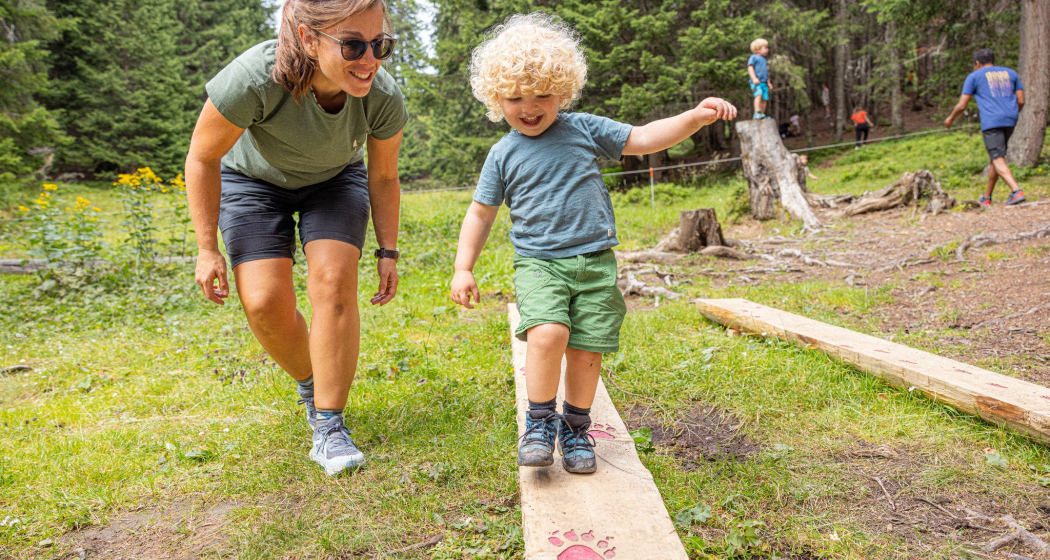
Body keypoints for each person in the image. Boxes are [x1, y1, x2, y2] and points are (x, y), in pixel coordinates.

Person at [449, 13, 735, 475]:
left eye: (543, 94)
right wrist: (464, 267)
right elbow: (481, 212)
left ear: (563, 89)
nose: (530, 106)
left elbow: (642, 138)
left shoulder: (582, 128)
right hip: (539, 263)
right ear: (494, 97)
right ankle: (539, 422)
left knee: (586, 348)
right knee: (548, 333)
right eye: (515, 97)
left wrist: (693, 118)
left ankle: (576, 429)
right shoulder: (502, 153)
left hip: (595, 262)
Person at [184, 0, 408, 476]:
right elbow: (202, 157)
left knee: (332, 284)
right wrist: (207, 248)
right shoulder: (253, 78)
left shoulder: (382, 96)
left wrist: (388, 250)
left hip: (335, 179)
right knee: (263, 302)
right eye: (353, 45)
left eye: (381, 44)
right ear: (309, 40)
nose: (370, 59)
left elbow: (385, 177)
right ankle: (312, 382)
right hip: (253, 182)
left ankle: (329, 424)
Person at [944, 48, 1026, 206]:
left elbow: (962, 105)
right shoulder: (1011, 73)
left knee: (996, 157)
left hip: (992, 121)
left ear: (977, 63)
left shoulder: (974, 76)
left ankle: (1016, 191)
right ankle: (987, 197)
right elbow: (1021, 100)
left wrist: (950, 119)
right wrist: (1011, 113)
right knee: (995, 158)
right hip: (1010, 119)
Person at [748, 39, 770, 120]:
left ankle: (762, 114)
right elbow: (750, 68)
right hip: (756, 82)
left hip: (764, 82)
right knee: (758, 94)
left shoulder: (764, 60)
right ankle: (757, 112)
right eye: (765, 48)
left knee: (764, 98)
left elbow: (765, 73)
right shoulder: (753, 57)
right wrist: (754, 78)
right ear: (758, 49)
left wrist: (769, 82)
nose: (767, 50)